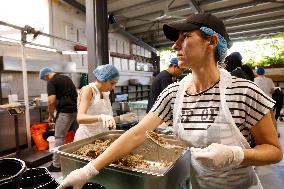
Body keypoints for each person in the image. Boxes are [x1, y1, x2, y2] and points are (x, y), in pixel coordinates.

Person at [57, 13, 282, 189]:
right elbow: (136, 134)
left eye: (185, 38)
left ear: (211, 41)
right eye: (176, 40)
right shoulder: (174, 93)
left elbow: (274, 151)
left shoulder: (243, 92)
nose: (175, 46)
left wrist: (236, 155)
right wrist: (87, 170)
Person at [74, 64, 138, 141]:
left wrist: (120, 118)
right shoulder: (89, 90)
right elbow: (80, 118)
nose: (113, 87)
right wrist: (100, 117)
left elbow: (105, 120)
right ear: (103, 79)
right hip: (86, 137)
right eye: (112, 83)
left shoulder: (105, 93)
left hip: (101, 136)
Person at [39, 67, 78, 172]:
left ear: (46, 75)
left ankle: (56, 165)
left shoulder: (51, 81)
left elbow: (51, 101)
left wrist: (50, 115)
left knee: (59, 138)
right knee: (78, 135)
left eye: (45, 79)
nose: (46, 81)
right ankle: (78, 161)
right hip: (76, 110)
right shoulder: (66, 78)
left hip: (65, 112)